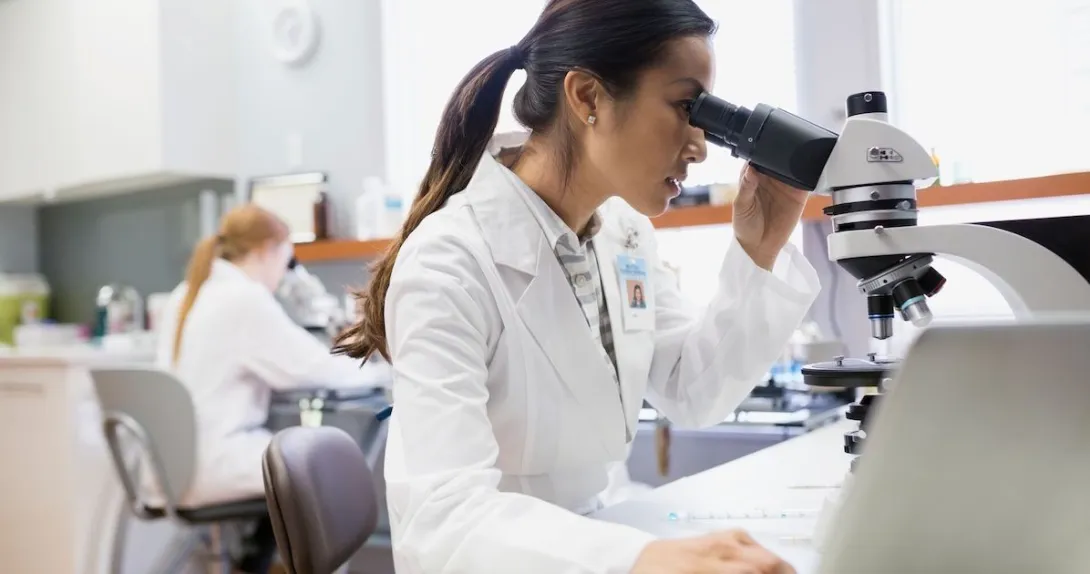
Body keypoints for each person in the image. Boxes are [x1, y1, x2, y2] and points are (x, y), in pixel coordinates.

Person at [334, 0, 820, 572]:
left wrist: (757, 251)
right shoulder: (449, 262)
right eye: (687, 106)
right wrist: (640, 560)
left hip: (610, 530)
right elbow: (442, 521)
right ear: (588, 97)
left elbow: (692, 389)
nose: (700, 143)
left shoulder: (623, 233)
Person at [156, 204, 388, 573]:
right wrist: (383, 373)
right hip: (213, 463)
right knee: (312, 470)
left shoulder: (187, 292)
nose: (284, 274)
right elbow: (314, 370)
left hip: (171, 464)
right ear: (267, 249)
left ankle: (252, 565)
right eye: (286, 259)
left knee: (287, 463)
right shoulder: (243, 298)